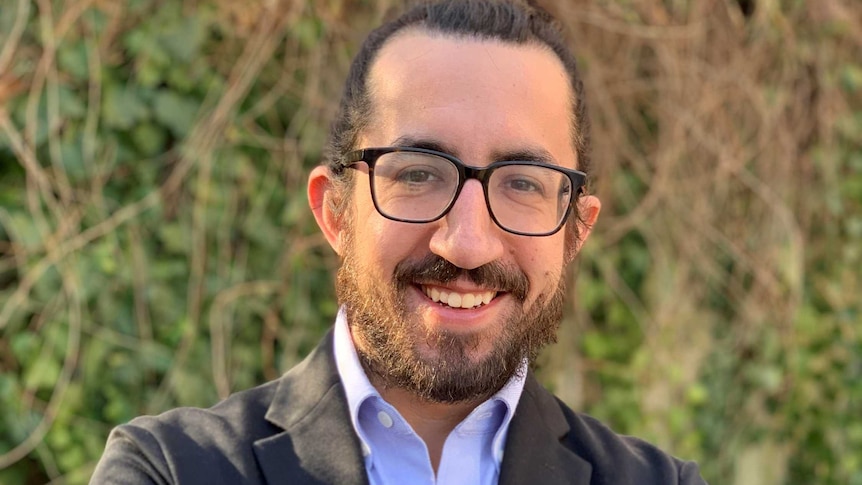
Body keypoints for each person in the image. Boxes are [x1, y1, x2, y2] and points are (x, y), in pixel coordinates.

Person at [91, 1, 707, 483]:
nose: (468, 245)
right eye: (417, 173)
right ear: (335, 212)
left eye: (522, 183)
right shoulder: (169, 470)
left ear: (576, 233)